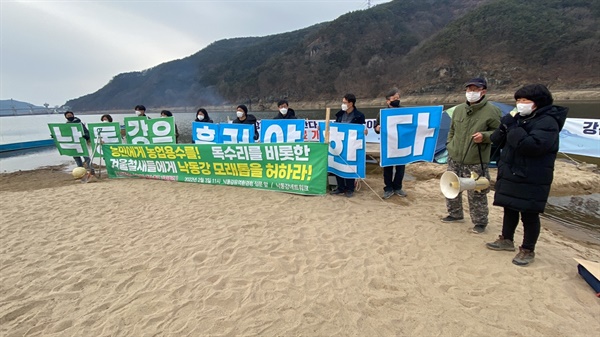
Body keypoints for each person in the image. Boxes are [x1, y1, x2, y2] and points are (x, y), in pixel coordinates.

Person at [486, 84, 568, 266]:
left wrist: (513, 128)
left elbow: (531, 146)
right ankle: (506, 239)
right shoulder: (519, 119)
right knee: (510, 207)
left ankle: (527, 249)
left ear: (538, 103)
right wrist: (504, 125)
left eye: (525, 101)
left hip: (533, 175)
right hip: (512, 171)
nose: (520, 104)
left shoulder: (547, 122)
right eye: (518, 100)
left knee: (529, 213)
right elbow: (495, 140)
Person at [441, 78, 502, 234]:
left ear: (483, 91)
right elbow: (452, 130)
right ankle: (455, 214)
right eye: (469, 89)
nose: (471, 93)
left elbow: (499, 133)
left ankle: (480, 222)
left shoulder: (492, 111)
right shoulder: (459, 109)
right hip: (455, 156)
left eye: (475, 89)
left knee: (477, 191)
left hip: (476, 159)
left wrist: (485, 136)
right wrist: (450, 145)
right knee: (451, 186)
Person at [330, 93, 366, 198]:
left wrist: (364, 131)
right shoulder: (340, 115)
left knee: (350, 165)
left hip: (351, 144)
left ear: (351, 103)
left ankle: (350, 188)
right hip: (340, 143)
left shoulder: (359, 115)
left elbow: (361, 128)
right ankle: (340, 187)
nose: (343, 104)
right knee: (338, 163)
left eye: (345, 102)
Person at [374, 88, 407, 199]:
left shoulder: (405, 111)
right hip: (388, 143)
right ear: (388, 101)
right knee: (387, 167)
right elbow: (376, 127)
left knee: (401, 167)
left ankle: (398, 187)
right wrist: (377, 128)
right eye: (394, 98)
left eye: (398, 98)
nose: (396, 100)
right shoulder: (382, 113)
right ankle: (388, 188)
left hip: (401, 143)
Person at [64, 111, 95, 175]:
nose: (69, 116)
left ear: (73, 115)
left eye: (70, 115)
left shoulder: (79, 123)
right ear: (65, 117)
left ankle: (91, 170)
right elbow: (64, 134)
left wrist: (86, 136)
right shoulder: (66, 125)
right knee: (76, 157)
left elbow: (86, 131)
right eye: (68, 116)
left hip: (81, 142)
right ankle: (80, 171)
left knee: (86, 156)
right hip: (73, 143)